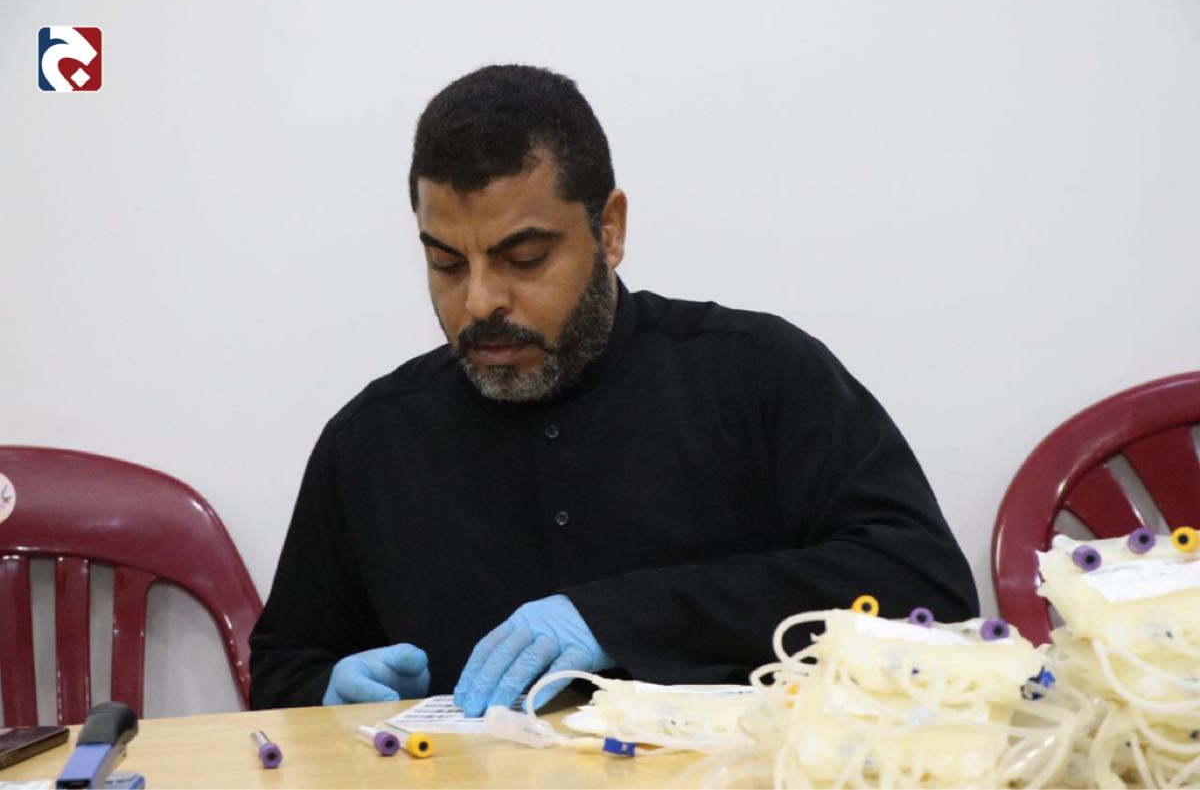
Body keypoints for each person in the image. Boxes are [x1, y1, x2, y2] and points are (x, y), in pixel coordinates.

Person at [248, 64, 979, 716]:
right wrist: (326, 692)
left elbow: (926, 586)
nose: (479, 301)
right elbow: (284, 666)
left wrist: (622, 618)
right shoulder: (371, 441)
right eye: (446, 264)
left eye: (524, 258)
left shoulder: (756, 374)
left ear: (611, 230)